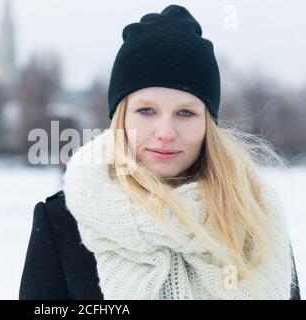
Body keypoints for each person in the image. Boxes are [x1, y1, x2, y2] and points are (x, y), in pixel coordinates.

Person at [19, 4, 301, 300]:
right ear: (121, 118)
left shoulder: (255, 217)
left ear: (208, 124)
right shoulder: (62, 223)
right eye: (146, 110)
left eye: (185, 113)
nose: (165, 132)